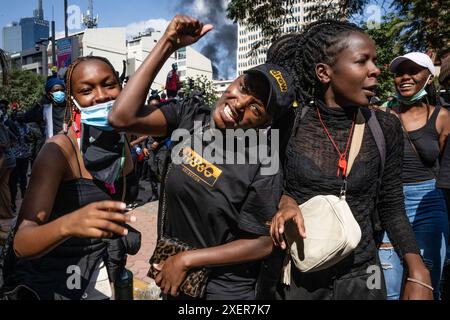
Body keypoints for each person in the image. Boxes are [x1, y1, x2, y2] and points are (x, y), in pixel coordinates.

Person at [109, 15, 296, 300]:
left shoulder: (262, 161)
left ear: (265, 123)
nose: (239, 104)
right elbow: (121, 117)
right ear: (235, 80)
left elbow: (261, 243)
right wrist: (168, 43)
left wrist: (188, 260)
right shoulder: (190, 116)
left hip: (223, 292)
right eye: (244, 88)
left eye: (256, 109)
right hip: (174, 278)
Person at [267, 20, 432, 300]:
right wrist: (285, 200)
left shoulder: (384, 127)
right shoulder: (291, 124)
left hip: (364, 275)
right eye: (362, 61)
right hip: (300, 276)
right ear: (324, 72)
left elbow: (391, 205)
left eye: (375, 61)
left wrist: (418, 271)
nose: (376, 70)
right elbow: (267, 190)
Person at [1, 55, 140, 300]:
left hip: (103, 268)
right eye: (87, 90)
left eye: (109, 85)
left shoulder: (123, 139)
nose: (101, 96)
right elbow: (21, 242)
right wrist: (69, 224)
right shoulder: (57, 151)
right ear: (73, 101)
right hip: (55, 281)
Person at [376, 52, 450, 300]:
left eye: (413, 71)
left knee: (427, 286)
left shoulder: (442, 117)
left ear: (429, 78)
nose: (405, 77)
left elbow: (443, 168)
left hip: (429, 204)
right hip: (390, 205)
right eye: (399, 73)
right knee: (390, 289)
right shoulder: (382, 116)